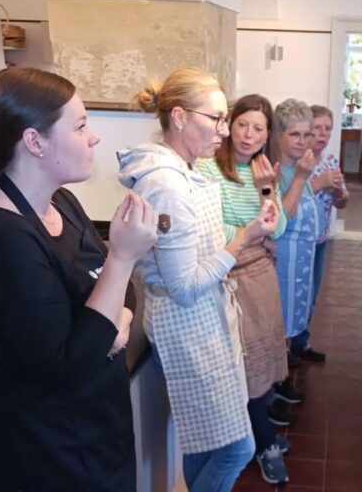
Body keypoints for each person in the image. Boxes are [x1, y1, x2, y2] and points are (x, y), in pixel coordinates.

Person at [0, 67, 157, 491]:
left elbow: (122, 297)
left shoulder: (62, 203)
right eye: (81, 126)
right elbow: (71, 366)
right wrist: (122, 258)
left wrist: (110, 326)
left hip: (95, 433)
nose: (94, 137)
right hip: (42, 451)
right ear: (35, 142)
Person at [117, 68, 279, 492]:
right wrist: (244, 239)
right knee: (237, 450)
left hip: (204, 319)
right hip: (187, 327)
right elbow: (185, 288)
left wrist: (252, 225)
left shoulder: (186, 168)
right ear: (179, 117)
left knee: (204, 444)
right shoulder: (167, 185)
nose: (226, 130)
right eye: (218, 119)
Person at [195, 94, 293, 485]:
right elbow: (208, 229)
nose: (248, 135)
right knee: (239, 367)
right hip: (224, 278)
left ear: (267, 135)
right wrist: (253, 235)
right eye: (242, 124)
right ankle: (262, 443)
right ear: (229, 125)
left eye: (258, 128)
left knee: (261, 365)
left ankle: (257, 435)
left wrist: (267, 190)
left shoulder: (262, 170)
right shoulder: (206, 167)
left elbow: (278, 228)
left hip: (260, 280)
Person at [288, 104, 349, 363]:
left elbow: (343, 202)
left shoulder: (331, 160)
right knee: (291, 292)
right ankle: (284, 347)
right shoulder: (294, 161)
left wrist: (339, 193)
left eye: (328, 129)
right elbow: (288, 202)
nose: (323, 134)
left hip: (320, 239)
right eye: (317, 128)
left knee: (310, 294)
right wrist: (319, 183)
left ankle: (300, 343)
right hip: (296, 240)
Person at [272, 99, 319, 359]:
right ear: (279, 135)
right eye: (294, 134)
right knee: (278, 318)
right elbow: (280, 221)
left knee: (294, 314)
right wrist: (301, 178)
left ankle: (286, 361)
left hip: (301, 263)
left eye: (306, 135)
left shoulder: (300, 169)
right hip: (281, 262)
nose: (302, 142)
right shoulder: (277, 173)